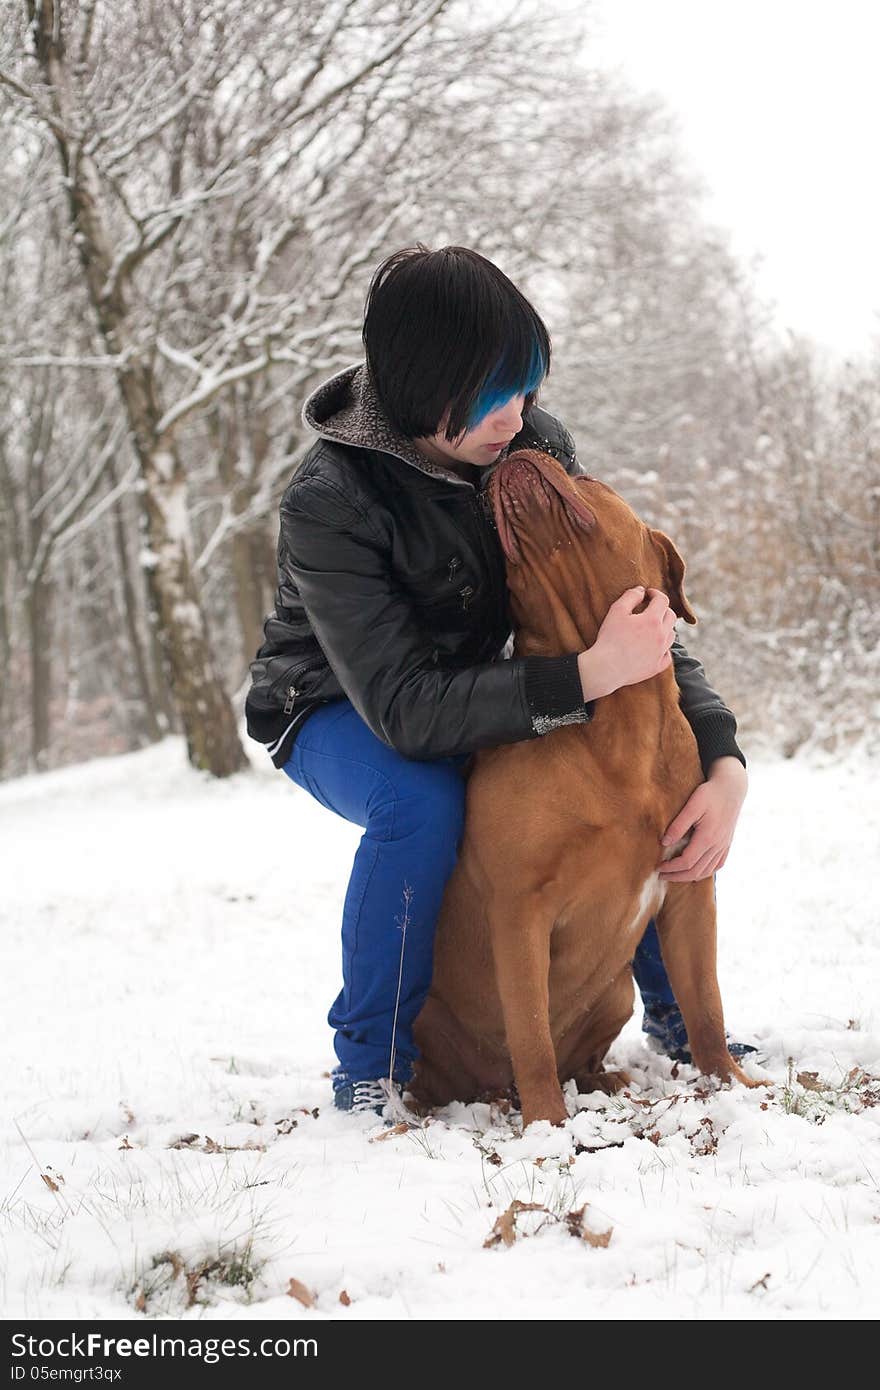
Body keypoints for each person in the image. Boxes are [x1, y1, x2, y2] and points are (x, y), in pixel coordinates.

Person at [245, 243, 755, 1117]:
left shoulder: (528, 444)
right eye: (491, 395)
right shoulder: (331, 498)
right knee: (424, 804)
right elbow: (404, 710)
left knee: (630, 773)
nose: (516, 418)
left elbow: (627, 611)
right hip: (338, 704)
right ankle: (372, 1065)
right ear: (417, 385)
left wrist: (721, 757)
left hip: (507, 680)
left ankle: (678, 1021)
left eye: (526, 388)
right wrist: (587, 676)